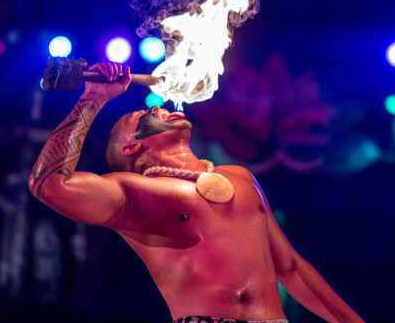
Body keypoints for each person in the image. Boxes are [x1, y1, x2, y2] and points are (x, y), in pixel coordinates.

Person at [29, 62, 364, 323]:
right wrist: (93, 98)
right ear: (130, 147)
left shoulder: (240, 177)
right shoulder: (135, 194)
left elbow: (290, 268)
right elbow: (49, 184)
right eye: (143, 114)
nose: (156, 107)